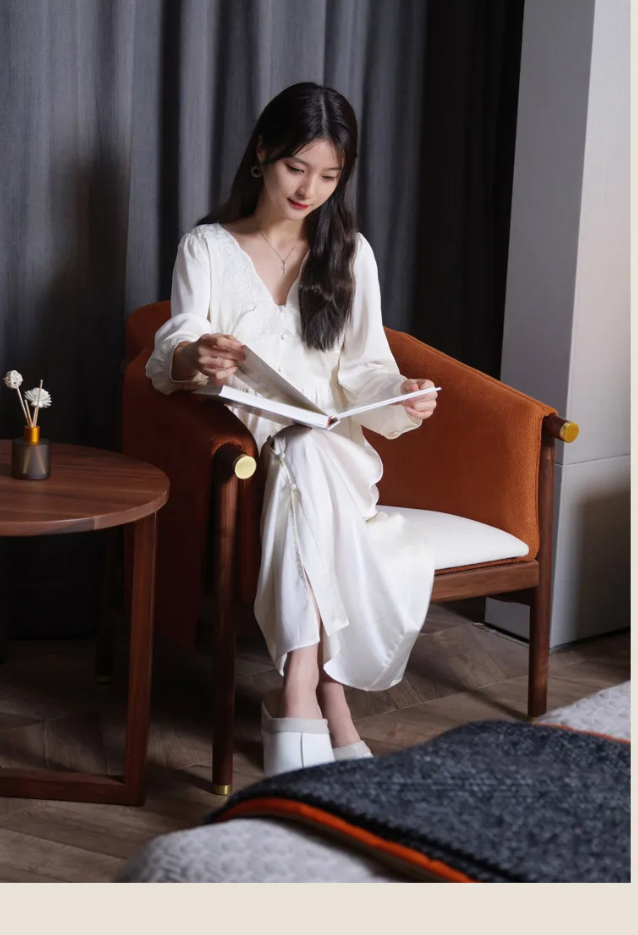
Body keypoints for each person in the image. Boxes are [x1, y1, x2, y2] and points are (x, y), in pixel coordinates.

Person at [145, 82, 439, 777]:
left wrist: (401, 394)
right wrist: (196, 354)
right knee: (297, 451)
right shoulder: (207, 248)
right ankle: (325, 698)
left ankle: (300, 690)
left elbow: (365, 369)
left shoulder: (350, 254)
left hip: (333, 455)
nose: (310, 190)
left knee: (309, 449)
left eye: (329, 176)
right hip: (246, 453)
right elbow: (176, 342)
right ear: (261, 153)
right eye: (295, 168)